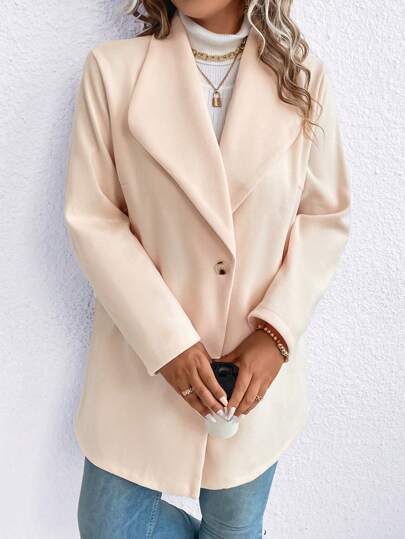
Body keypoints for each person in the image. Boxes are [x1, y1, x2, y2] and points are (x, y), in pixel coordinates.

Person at [64, 0, 351, 536]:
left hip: (250, 372)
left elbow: (323, 218)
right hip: (142, 358)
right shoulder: (113, 70)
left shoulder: (301, 74)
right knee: (109, 526)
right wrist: (167, 342)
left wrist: (276, 334)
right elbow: (95, 219)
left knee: (234, 529)